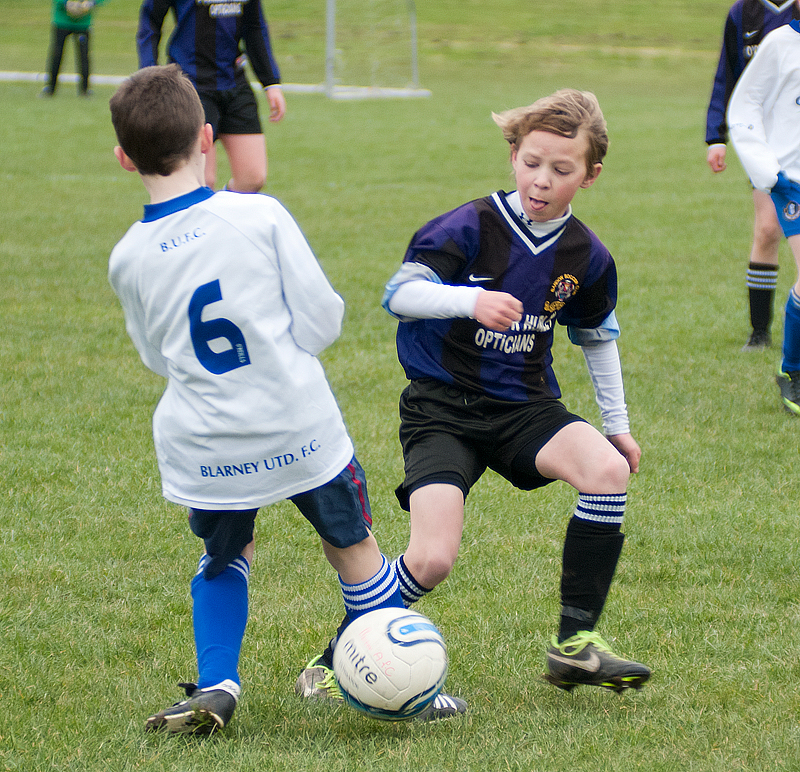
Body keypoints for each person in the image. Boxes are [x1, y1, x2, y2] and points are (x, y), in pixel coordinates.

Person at [296, 89, 651, 710]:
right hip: (443, 408)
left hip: (525, 408)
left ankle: (575, 645)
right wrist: (470, 300)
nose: (542, 180)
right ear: (513, 155)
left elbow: (597, 335)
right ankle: (333, 663)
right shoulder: (468, 226)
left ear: (590, 175)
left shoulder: (587, 256)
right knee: (432, 559)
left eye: (561, 169)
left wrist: (616, 425)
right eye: (531, 162)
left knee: (607, 471)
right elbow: (400, 296)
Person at [108, 64, 406, 735]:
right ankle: (404, 683)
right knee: (354, 548)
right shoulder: (258, 214)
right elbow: (323, 320)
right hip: (298, 428)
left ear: (124, 158)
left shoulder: (128, 256)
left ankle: (217, 684)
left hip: (208, 443)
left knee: (224, 557)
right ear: (207, 138)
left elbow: (155, 356)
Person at [705, 0, 800, 350]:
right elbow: (727, 76)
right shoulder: (744, 12)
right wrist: (716, 137)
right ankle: (760, 331)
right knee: (767, 228)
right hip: (767, 145)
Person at [728, 11, 800, 414]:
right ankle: (793, 371)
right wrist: (769, 171)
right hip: (794, 183)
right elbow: (743, 108)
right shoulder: (778, 44)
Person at [136, 0, 286, 193]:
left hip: (234, 83)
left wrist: (271, 82)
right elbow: (150, 21)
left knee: (253, 178)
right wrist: (150, 75)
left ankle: (220, 208)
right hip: (191, 87)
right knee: (203, 182)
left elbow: (255, 25)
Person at [41, 0, 106, 97]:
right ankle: (50, 88)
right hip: (62, 21)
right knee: (57, 54)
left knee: (84, 56)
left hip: (82, 23)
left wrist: (92, 3)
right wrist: (65, 3)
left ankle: (85, 90)